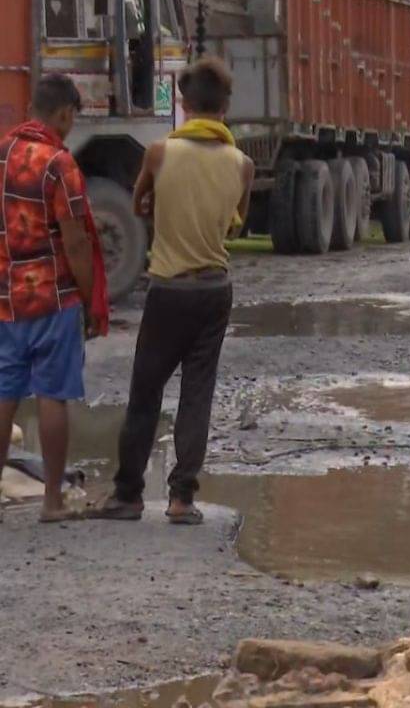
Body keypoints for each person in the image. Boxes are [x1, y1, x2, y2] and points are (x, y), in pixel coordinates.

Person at [88, 58, 252, 525]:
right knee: (197, 393)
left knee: (146, 391)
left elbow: (140, 201)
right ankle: (182, 498)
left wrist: (160, 206)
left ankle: (129, 494)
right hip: (216, 290)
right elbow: (235, 228)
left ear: (183, 103)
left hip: (168, 290)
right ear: (225, 107)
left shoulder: (160, 154)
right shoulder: (242, 164)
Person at [0, 74, 109, 522]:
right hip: (53, 297)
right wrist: (88, 298)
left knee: (4, 394)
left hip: (5, 298)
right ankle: (50, 502)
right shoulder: (59, 164)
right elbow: (77, 242)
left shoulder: (2, 153)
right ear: (64, 114)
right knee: (51, 395)